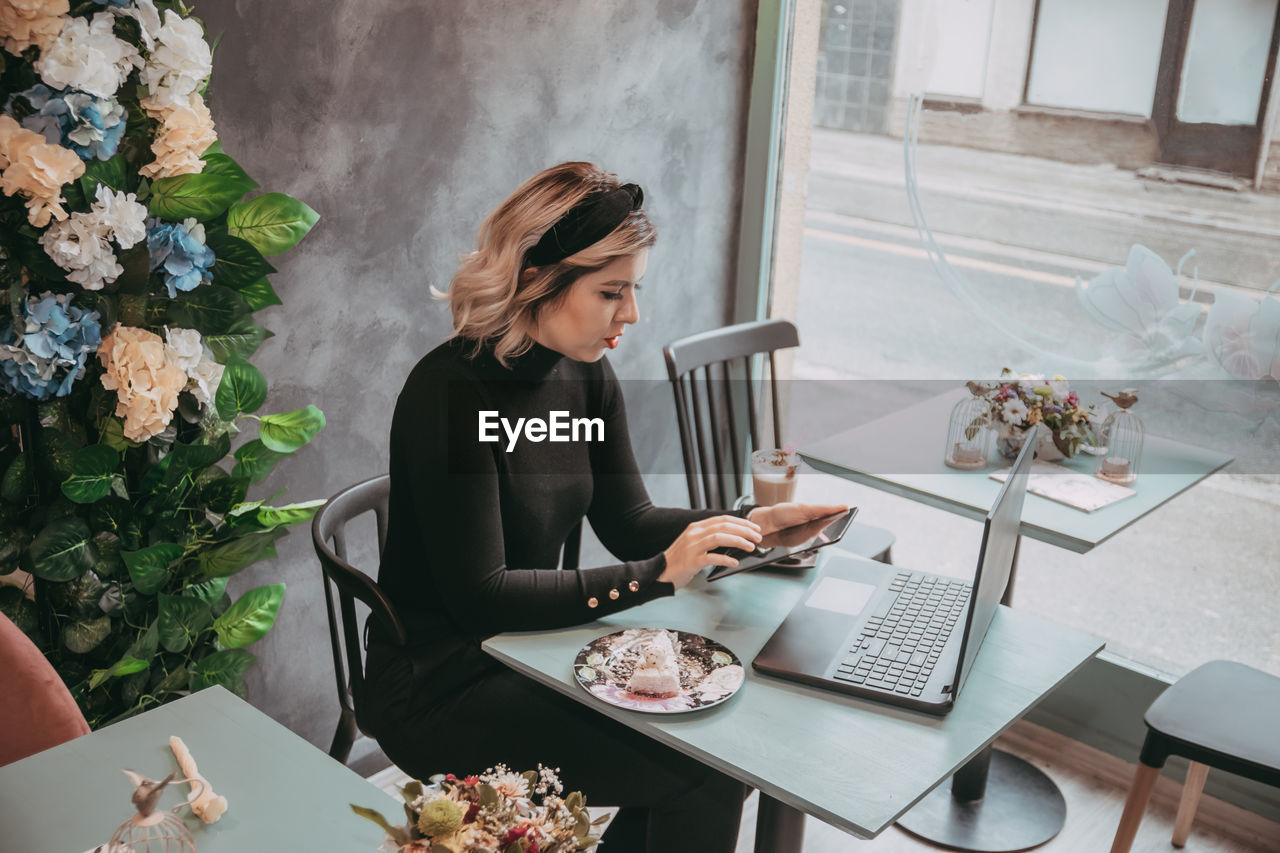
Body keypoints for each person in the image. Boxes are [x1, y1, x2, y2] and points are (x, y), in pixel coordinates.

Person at [363, 162, 844, 853]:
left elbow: (627, 520)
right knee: (701, 773)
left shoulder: (585, 372)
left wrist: (738, 525)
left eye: (634, 289)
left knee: (710, 754)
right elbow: (482, 597)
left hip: (529, 647)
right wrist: (656, 575)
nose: (633, 314)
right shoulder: (451, 396)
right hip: (442, 681)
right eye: (612, 291)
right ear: (536, 279)